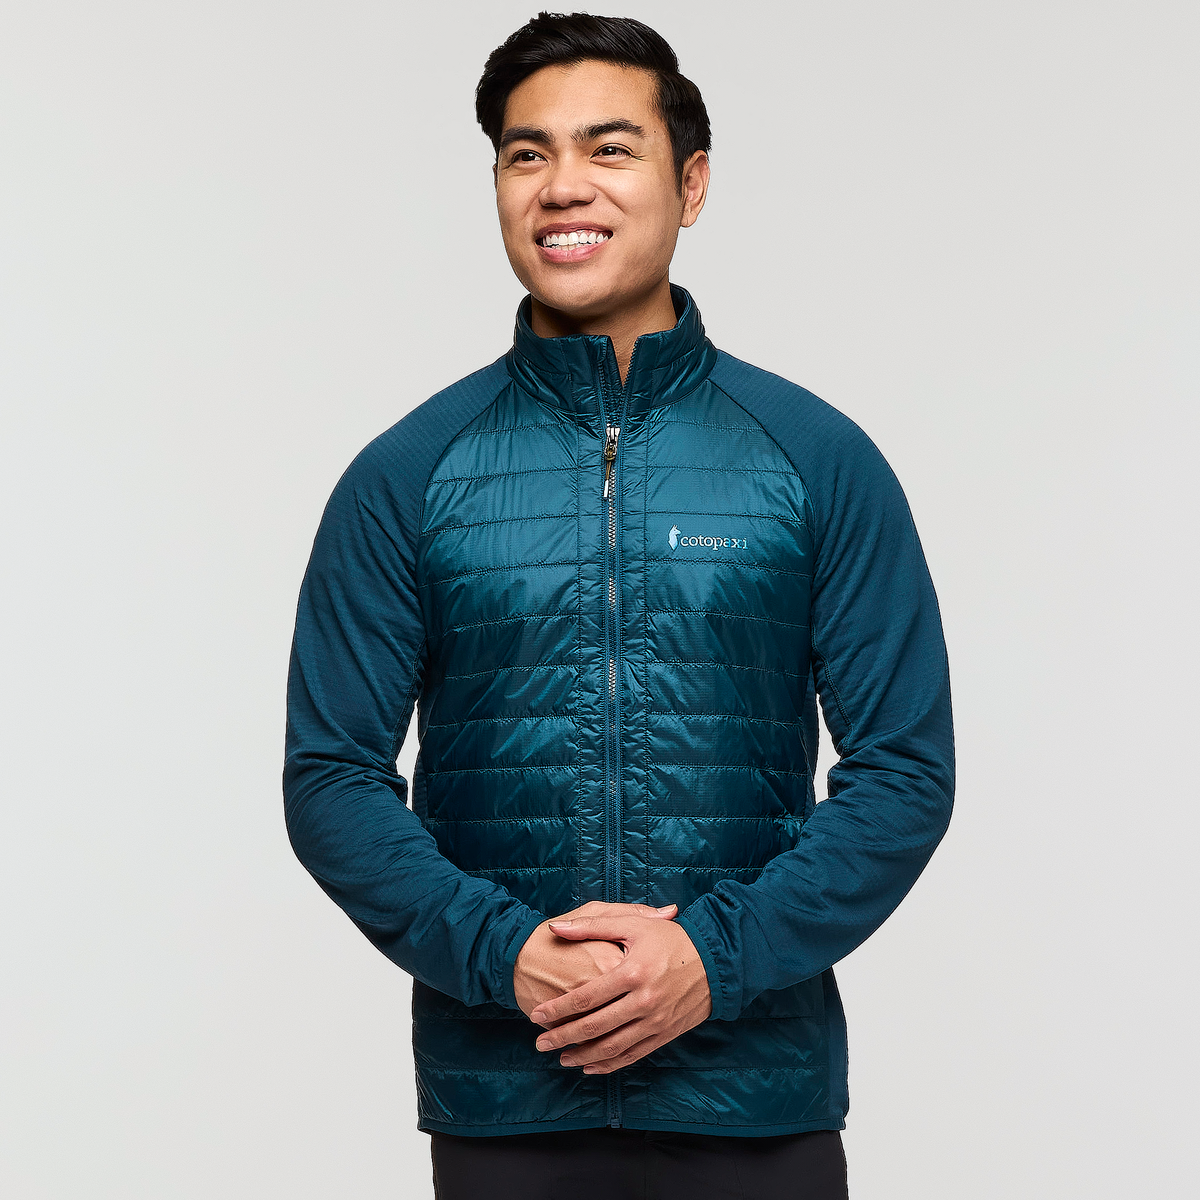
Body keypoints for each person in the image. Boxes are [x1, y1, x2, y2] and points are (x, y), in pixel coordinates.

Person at [283, 12, 954, 1199]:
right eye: (526, 154)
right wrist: (506, 955)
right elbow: (331, 776)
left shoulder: (815, 459)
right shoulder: (408, 474)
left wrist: (712, 958)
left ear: (690, 184)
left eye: (609, 148)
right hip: (507, 1108)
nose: (562, 186)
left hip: (756, 1102)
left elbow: (904, 770)